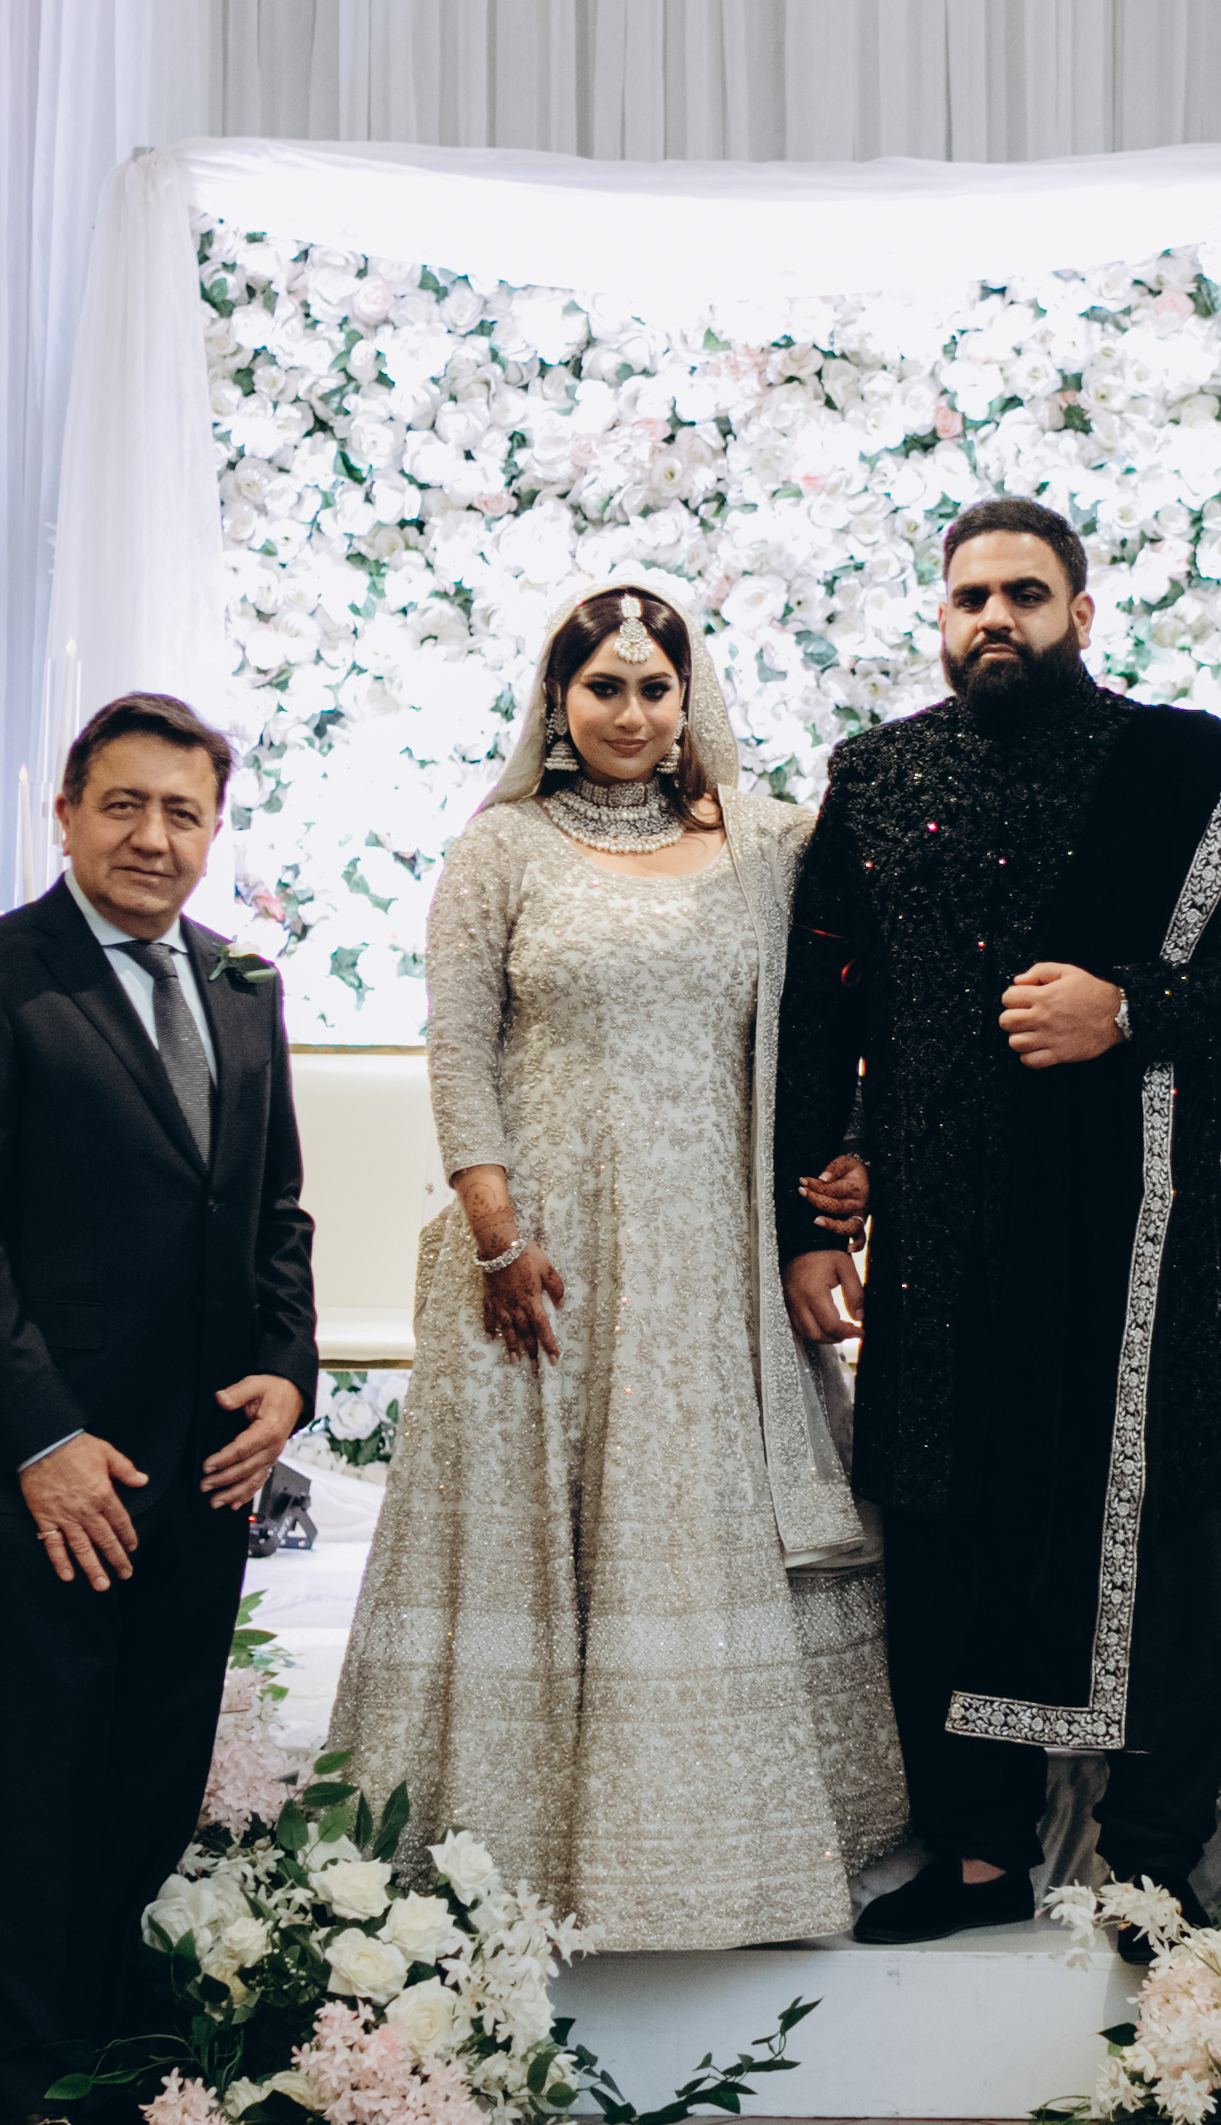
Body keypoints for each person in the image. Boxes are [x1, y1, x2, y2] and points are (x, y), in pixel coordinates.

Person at [776, 499, 1221, 1937]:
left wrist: (1126, 1009)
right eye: (969, 597)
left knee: (1154, 1522)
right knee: (942, 1528)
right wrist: (813, 1211)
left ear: (1079, 613)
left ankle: (1147, 1859)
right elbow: (827, 1009)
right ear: (940, 618)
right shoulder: (878, 778)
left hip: (1133, 1243)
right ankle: (974, 1853)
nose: (994, 619)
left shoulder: (1197, 772)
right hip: (943, 1243)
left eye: (1024, 594)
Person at [330, 579, 903, 1947]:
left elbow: (852, 1010)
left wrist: (853, 1155)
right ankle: (508, 1849)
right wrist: (496, 1232)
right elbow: (459, 1041)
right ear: (557, 699)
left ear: (688, 698)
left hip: (711, 1254)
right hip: (544, 1254)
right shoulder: (504, 849)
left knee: (695, 1517)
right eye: (604, 688)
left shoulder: (766, 846)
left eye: (654, 688)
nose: (632, 714)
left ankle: (719, 1846)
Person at [0, 692, 322, 2125]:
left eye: (184, 813)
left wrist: (287, 1380)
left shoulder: (243, 985)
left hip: (207, 1455)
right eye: (126, 806)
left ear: (214, 830)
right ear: (68, 814)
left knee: (157, 1761)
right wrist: (42, 1439)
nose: (155, 838)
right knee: (57, 1758)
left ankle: (107, 2056)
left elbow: (275, 1214)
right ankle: (27, 2092)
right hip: (65, 1459)